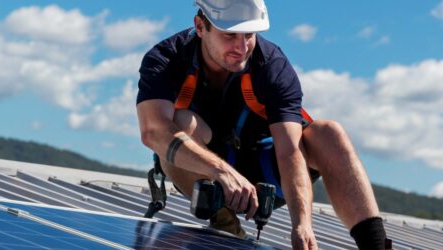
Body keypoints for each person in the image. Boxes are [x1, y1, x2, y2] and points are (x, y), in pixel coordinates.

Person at [136, 0, 389, 249]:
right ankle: (226, 228)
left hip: (265, 175)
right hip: (206, 179)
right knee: (177, 125)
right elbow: (152, 132)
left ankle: (376, 245)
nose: (241, 47)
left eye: (249, 35)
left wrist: (302, 224)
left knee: (329, 133)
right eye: (230, 35)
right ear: (201, 26)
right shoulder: (167, 59)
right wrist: (222, 173)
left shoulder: (272, 67)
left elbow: (290, 151)